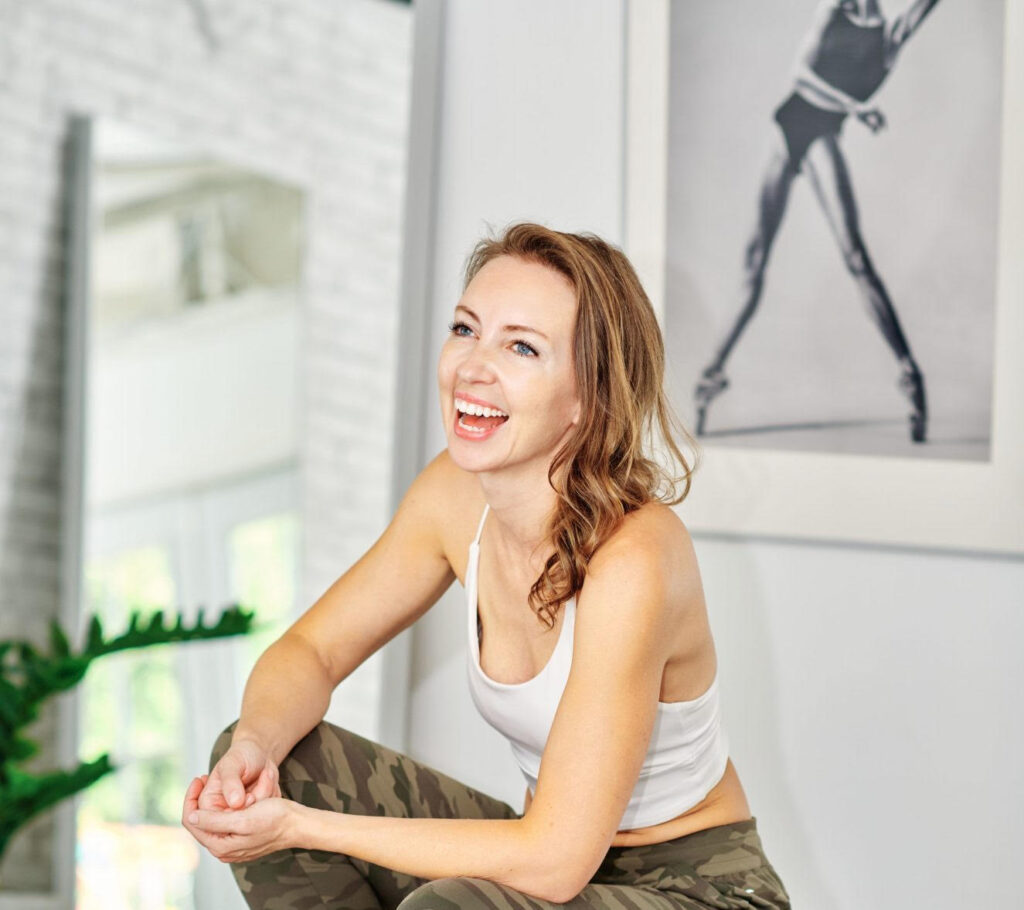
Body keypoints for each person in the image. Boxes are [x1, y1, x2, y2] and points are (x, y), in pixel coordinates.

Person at [182, 223, 792, 909]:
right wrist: (254, 752)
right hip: (557, 856)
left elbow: (555, 863)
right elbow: (312, 650)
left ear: (585, 399)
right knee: (280, 762)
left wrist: (301, 828)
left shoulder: (635, 559)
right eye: (466, 329)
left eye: (522, 347)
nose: (473, 366)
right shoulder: (453, 495)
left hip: (696, 889)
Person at [693, 0, 942, 444]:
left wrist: (851, 109)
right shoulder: (834, 10)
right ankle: (712, 374)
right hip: (790, 124)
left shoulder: (891, 38)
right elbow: (803, 76)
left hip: (823, 135)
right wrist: (857, 107)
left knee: (855, 257)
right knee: (754, 263)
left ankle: (909, 372)